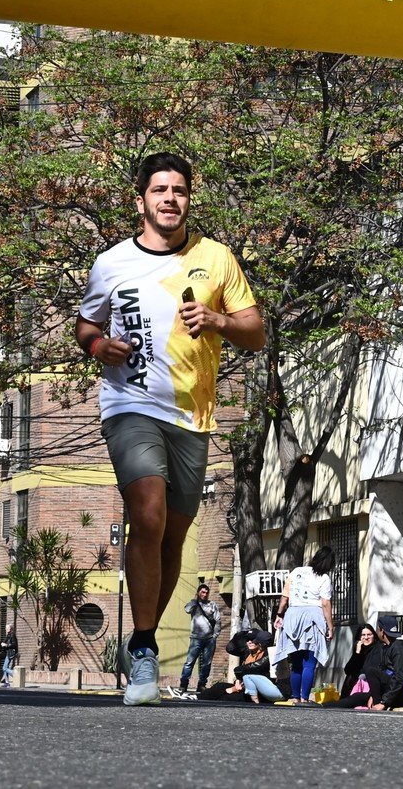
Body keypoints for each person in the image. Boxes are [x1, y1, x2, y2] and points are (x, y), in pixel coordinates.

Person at [77, 152, 264, 707]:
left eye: (179, 190)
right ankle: (143, 650)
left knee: (175, 535)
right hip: (129, 405)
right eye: (159, 190)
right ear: (141, 200)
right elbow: (86, 323)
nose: (169, 199)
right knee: (148, 514)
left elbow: (255, 332)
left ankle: (143, 635)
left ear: (188, 198)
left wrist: (219, 320)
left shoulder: (216, 258)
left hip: (192, 416)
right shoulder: (110, 263)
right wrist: (97, 345)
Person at [271, 545, 336, 704]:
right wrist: (330, 625)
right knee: (310, 662)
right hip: (312, 618)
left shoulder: (296, 571)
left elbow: (284, 596)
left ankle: (294, 697)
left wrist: (279, 615)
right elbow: (325, 603)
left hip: (292, 616)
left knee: (297, 662)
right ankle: (304, 698)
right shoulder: (324, 578)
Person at [323, 622, 388, 709]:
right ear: (359, 637)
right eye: (363, 635)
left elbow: (370, 669)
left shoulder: (378, 649)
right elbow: (348, 670)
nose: (366, 637)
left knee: (353, 695)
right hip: (358, 683)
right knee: (350, 675)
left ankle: (328, 705)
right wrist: (357, 653)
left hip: (371, 685)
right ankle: (340, 701)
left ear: (374, 636)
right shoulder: (360, 648)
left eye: (369, 635)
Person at [172, 582, 220, 698]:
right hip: (196, 639)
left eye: (207, 593)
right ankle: (183, 685)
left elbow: (218, 620)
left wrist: (215, 635)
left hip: (209, 639)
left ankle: (202, 684)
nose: (205, 594)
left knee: (206, 664)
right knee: (189, 662)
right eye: (203, 592)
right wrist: (195, 601)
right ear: (198, 593)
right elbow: (187, 609)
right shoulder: (194, 604)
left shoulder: (212, 605)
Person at [371, 613, 403, 711]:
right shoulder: (389, 646)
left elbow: (399, 677)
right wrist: (372, 695)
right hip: (399, 691)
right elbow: (384, 671)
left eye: (377, 628)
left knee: (371, 672)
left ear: (382, 631)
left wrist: (384, 702)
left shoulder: (399, 648)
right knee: (359, 698)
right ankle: (335, 705)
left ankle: (379, 705)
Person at [224, 633, 282, 703]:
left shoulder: (268, 655)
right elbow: (230, 648)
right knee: (218, 687)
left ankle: (255, 702)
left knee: (226, 697)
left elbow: (249, 672)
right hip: (245, 686)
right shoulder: (247, 653)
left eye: (253, 640)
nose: (249, 642)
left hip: (259, 690)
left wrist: (236, 684)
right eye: (247, 640)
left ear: (259, 643)